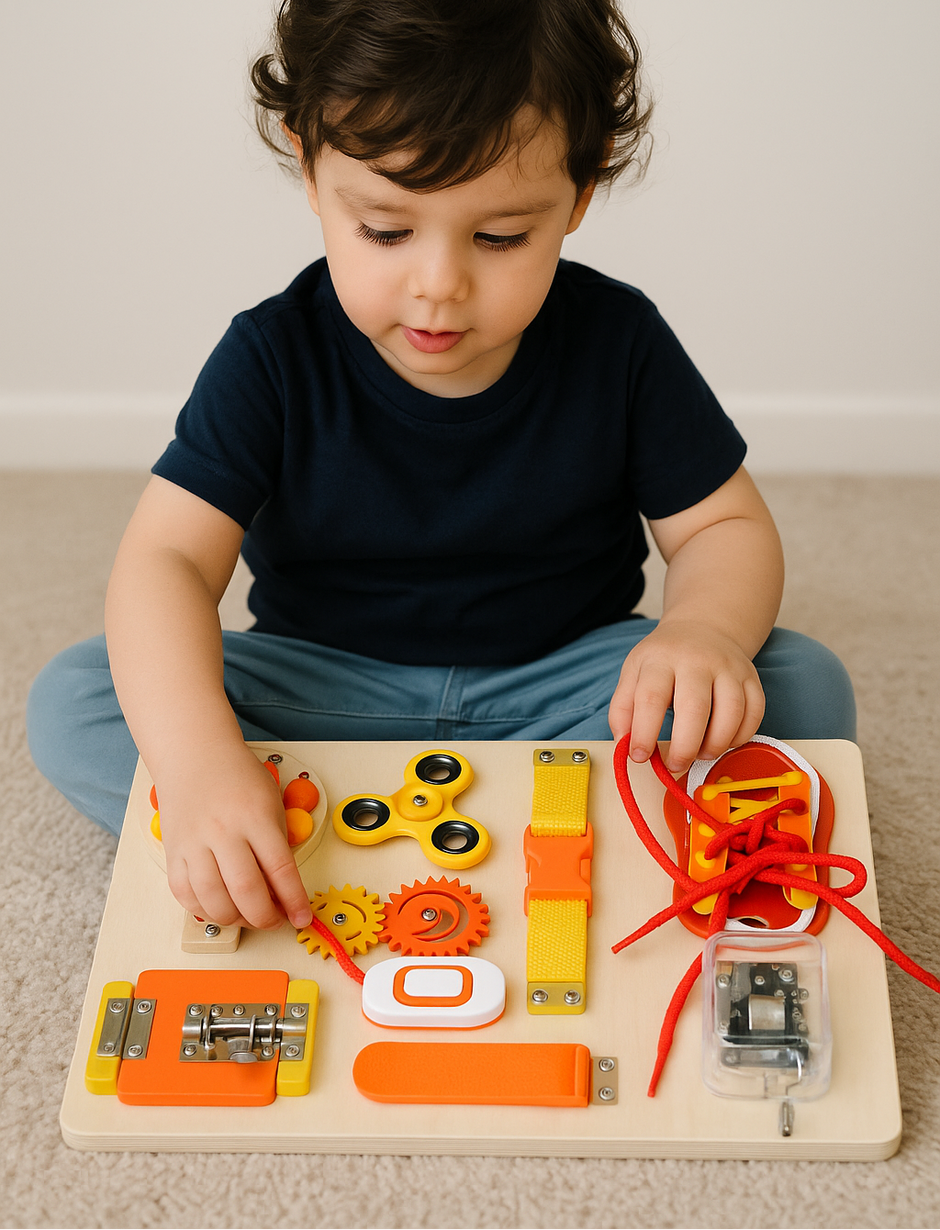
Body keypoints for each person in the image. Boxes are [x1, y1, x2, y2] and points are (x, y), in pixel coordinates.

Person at [27, 0, 855, 937]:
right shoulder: (270, 356)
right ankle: (263, 820)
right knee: (76, 698)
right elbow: (165, 562)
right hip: (327, 694)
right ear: (310, 169)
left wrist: (701, 631)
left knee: (799, 683)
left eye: (499, 239)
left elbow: (721, 527)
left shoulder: (620, 343)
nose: (438, 284)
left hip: (563, 690)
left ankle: (344, 826)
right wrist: (197, 762)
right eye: (386, 231)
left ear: (579, 197)